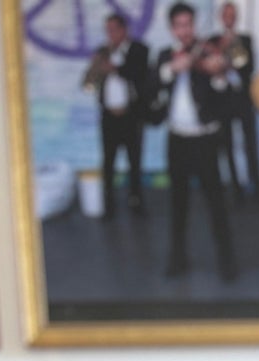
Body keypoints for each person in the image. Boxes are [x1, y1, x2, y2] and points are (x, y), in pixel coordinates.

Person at [148, 1, 240, 281]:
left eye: (188, 24)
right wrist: (172, 69)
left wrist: (219, 76)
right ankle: (178, 258)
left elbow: (228, 99)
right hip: (177, 138)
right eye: (179, 26)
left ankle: (227, 262)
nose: (185, 30)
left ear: (194, 25)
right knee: (178, 203)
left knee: (215, 202)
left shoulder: (208, 51)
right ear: (172, 29)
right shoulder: (165, 56)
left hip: (205, 139)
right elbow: (151, 86)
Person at [83, 11, 150, 218]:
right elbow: (88, 83)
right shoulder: (103, 52)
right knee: (108, 161)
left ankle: (136, 201)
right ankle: (108, 205)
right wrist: (95, 68)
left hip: (131, 114)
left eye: (113, 30)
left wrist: (114, 68)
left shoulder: (139, 49)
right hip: (109, 116)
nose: (110, 35)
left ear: (124, 30)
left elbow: (138, 72)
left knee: (134, 160)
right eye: (108, 31)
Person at [215, 1, 259, 198]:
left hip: (242, 97)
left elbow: (247, 67)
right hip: (223, 99)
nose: (229, 18)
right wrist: (221, 48)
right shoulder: (214, 40)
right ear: (221, 17)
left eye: (232, 15)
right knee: (227, 143)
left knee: (250, 142)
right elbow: (213, 66)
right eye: (226, 15)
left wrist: (234, 46)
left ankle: (255, 184)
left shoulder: (245, 39)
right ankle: (235, 186)